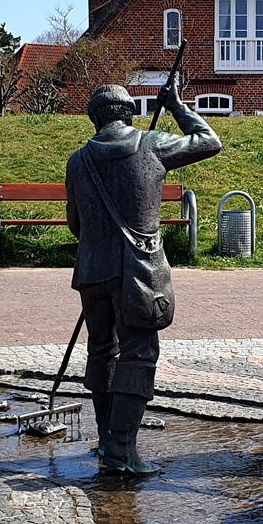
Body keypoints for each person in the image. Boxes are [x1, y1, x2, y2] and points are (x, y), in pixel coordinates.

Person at [65, 82, 221, 473]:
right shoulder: (152, 143)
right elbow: (208, 139)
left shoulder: (77, 160)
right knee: (138, 353)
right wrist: (179, 107)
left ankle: (106, 441)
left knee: (102, 350)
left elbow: (74, 224)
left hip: (91, 271)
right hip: (138, 270)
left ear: (94, 117)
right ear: (129, 113)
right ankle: (123, 450)